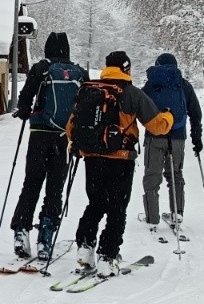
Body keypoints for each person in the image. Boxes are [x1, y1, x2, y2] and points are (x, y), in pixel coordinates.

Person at [67, 51, 173, 277]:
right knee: (117, 208)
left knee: (95, 203)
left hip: (92, 158)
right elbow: (157, 127)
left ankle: (85, 248)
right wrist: (169, 116)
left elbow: (71, 127)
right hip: (120, 159)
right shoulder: (131, 94)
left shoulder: (89, 91)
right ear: (126, 68)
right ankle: (108, 256)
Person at [9, 32, 84, 260]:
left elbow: (25, 97)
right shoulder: (79, 72)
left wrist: (24, 112)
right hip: (64, 137)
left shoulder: (41, 68)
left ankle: (22, 231)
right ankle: (46, 233)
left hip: (40, 134)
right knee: (55, 188)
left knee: (31, 183)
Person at [141, 53, 203, 230]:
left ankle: (152, 217)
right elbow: (195, 113)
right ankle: (177, 213)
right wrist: (196, 137)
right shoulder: (183, 85)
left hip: (154, 137)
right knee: (175, 174)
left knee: (152, 175)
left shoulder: (151, 84)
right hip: (177, 138)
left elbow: (140, 108)